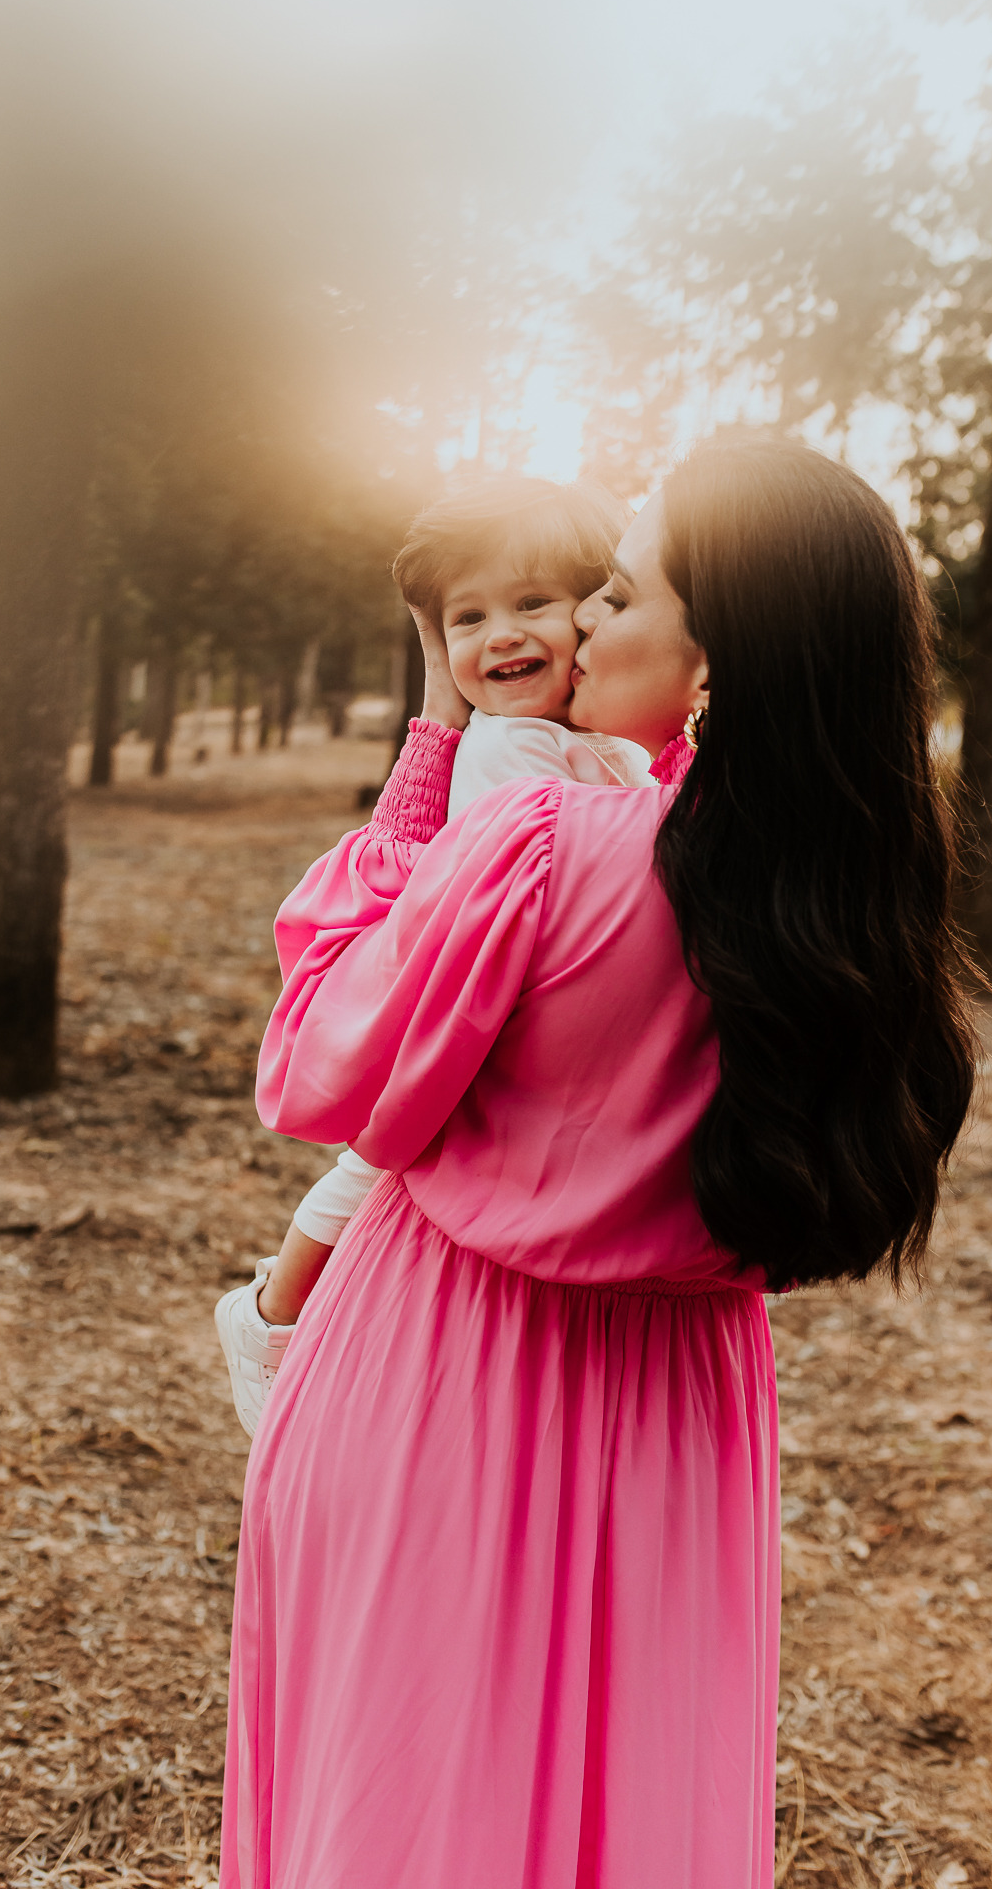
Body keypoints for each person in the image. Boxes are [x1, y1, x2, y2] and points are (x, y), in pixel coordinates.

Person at [219, 436, 981, 1889]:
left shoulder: (538, 846)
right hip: (682, 1416)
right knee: (628, 1814)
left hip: (448, 1371)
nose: (575, 628)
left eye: (617, 597)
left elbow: (316, 1058)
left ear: (709, 667)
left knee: (400, 1810)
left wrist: (434, 738)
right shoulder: (852, 899)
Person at [215, 476, 654, 1436]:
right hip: (473, 1011)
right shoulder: (507, 751)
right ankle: (268, 1315)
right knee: (380, 1162)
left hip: (523, 1012)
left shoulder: (592, 740)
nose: (498, 634)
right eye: (467, 618)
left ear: (593, 610)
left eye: (531, 603)